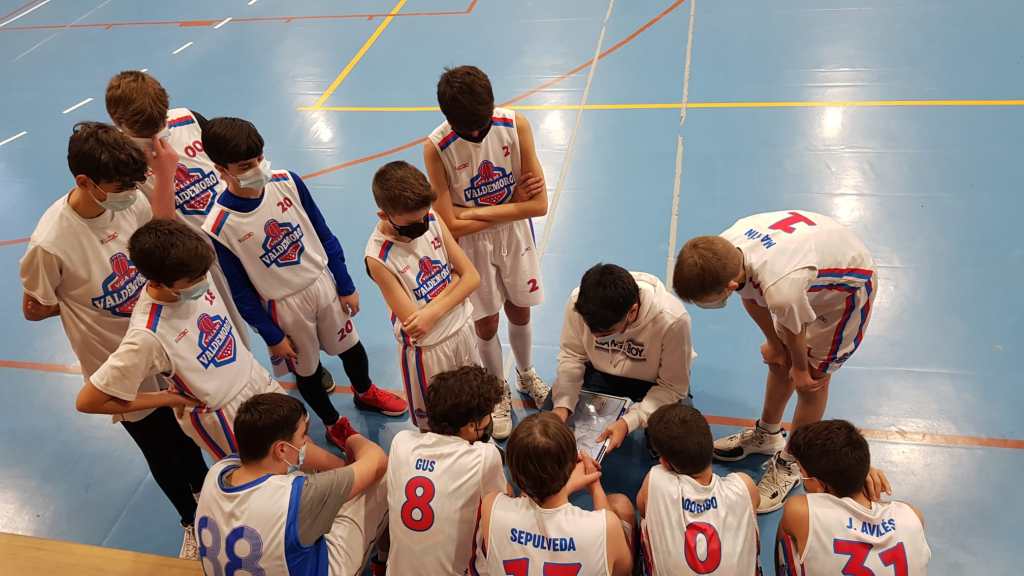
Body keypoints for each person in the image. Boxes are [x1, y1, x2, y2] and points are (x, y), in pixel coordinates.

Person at [20, 121, 207, 559]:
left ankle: (210, 502)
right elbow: (34, 307)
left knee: (188, 431)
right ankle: (189, 519)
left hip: (163, 340)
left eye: (134, 183)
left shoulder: (131, 200)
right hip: (114, 355)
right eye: (121, 186)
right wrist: (80, 304)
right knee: (158, 446)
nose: (131, 192)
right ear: (85, 181)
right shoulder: (50, 244)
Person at [75, 219, 347, 472]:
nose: (203, 283)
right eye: (193, 281)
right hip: (224, 413)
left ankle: (340, 480)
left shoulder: (194, 270)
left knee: (299, 444)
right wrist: (169, 398)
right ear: (159, 282)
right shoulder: (147, 335)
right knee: (272, 478)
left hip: (253, 378)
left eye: (202, 275)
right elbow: (89, 400)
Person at [199, 117, 406, 442]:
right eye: (245, 166)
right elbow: (240, 292)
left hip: (321, 284)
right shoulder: (219, 225)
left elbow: (324, 234)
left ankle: (365, 391)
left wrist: (345, 284)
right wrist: (272, 335)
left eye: (259, 158)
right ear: (221, 169)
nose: (257, 168)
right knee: (307, 371)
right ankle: (333, 423)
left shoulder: (287, 182)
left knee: (352, 348)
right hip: (284, 306)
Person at [673, 210, 876, 512]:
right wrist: (774, 344)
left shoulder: (781, 289)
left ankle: (793, 460)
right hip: (804, 270)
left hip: (847, 290)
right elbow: (750, 296)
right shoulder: (725, 249)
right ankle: (767, 435)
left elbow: (795, 327)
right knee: (779, 362)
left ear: (727, 286)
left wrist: (801, 368)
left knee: (812, 383)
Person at [424, 65, 550, 439]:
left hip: (514, 235)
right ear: (449, 120)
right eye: (469, 130)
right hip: (472, 246)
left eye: (483, 125)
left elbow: (539, 205)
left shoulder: (516, 125)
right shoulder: (436, 148)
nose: (478, 133)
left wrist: (469, 213)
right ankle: (497, 391)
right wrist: (512, 202)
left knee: (520, 309)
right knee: (487, 321)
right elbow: (448, 225)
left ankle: (526, 373)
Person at [105, 70, 250, 348]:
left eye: (160, 124)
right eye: (144, 133)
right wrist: (164, 174)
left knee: (279, 309)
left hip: (237, 234)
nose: (156, 135)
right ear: (118, 122)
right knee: (232, 335)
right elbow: (160, 235)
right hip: (200, 261)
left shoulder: (189, 119)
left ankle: (308, 365)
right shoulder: (120, 165)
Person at [195, 393, 389, 576]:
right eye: (303, 436)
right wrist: (352, 439)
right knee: (383, 479)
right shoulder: (297, 496)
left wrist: (340, 468)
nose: (306, 441)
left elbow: (302, 455)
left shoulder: (218, 471)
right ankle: (383, 561)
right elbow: (377, 461)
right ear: (281, 449)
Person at [364, 160, 481, 430]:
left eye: (424, 215)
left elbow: (472, 277)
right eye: (412, 221)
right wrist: (455, 282)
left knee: (475, 405)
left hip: (463, 329)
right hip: (429, 350)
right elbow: (417, 325)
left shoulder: (432, 218)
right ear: (384, 215)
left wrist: (432, 310)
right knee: (437, 423)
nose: (422, 223)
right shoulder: (378, 258)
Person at [551, 264, 694, 457]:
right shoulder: (579, 304)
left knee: (680, 442)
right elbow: (572, 356)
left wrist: (629, 422)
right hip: (599, 374)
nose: (594, 337)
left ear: (632, 312)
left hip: (653, 383)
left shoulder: (673, 320)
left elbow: (672, 387)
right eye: (590, 329)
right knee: (548, 430)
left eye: (606, 333)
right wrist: (562, 406)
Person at [474, 413, 634, 576]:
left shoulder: (491, 506)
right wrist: (595, 486)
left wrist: (564, 486)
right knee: (621, 504)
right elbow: (623, 571)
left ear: (513, 475)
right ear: (572, 465)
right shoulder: (607, 525)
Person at [386, 365, 507, 574]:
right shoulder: (485, 457)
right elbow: (500, 509)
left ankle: (379, 561)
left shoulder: (401, 442)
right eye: (488, 414)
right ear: (470, 426)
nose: (489, 420)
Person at [776, 420, 930, 575]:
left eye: (801, 471)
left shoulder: (799, 511)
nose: (801, 476)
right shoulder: (912, 515)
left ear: (819, 484)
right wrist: (855, 473)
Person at [638, 404, 759, 575]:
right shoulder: (744, 486)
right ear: (711, 443)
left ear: (664, 462)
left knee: (625, 508)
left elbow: (642, 510)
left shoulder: (656, 479)